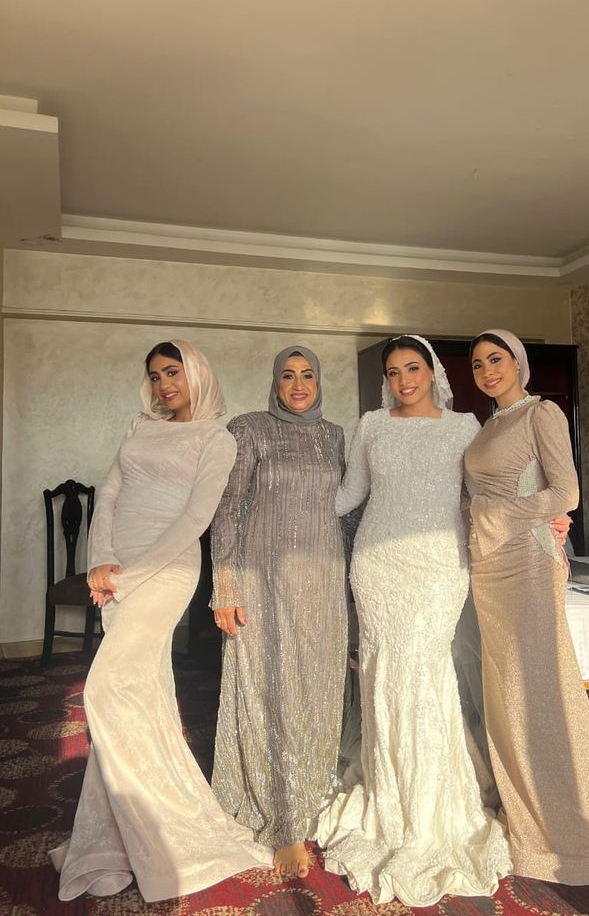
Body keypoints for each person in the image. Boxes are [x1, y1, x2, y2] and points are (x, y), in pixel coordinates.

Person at [50, 340, 272, 903]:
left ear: (195, 373)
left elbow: (196, 518)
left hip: (167, 570)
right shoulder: (138, 427)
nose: (162, 384)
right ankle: (116, 838)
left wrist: (131, 573)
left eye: (172, 372)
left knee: (106, 687)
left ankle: (165, 822)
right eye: (154, 376)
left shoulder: (217, 438)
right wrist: (101, 562)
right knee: (141, 694)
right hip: (117, 569)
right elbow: (110, 496)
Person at [313, 334, 511, 906]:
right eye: (395, 371)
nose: (404, 380)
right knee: (381, 676)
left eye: (413, 369)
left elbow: (484, 495)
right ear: (386, 378)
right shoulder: (371, 424)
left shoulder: (465, 426)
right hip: (376, 564)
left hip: (438, 567)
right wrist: (283, 513)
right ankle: (388, 791)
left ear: (432, 372)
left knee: (425, 675)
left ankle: (431, 806)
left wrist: (541, 519)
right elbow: (349, 495)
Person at [465, 328, 589, 885]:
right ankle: (528, 815)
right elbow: (478, 496)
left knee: (540, 691)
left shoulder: (541, 413)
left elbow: (565, 494)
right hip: (487, 566)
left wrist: (497, 514)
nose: (487, 371)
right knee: (504, 694)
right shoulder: (485, 428)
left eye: (495, 360)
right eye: (478, 364)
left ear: (518, 363)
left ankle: (575, 831)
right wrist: (476, 515)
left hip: (527, 559)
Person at [210, 345, 347, 880]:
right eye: (287, 376)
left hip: (324, 584)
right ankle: (280, 815)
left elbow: (349, 510)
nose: (297, 385)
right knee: (270, 688)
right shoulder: (250, 429)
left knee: (316, 688)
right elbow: (229, 508)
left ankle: (309, 789)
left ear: (319, 380)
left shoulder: (334, 436)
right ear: (275, 381)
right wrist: (226, 583)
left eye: (307, 375)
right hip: (262, 585)